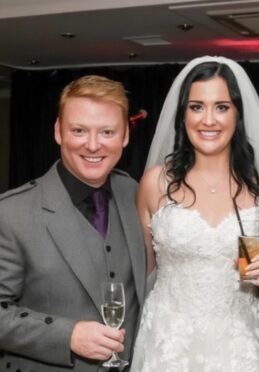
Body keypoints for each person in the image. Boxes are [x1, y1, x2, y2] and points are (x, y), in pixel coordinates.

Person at [130, 56, 259, 372]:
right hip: (168, 348)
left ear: (237, 114)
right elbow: (138, 273)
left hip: (238, 349)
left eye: (221, 107)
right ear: (183, 115)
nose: (208, 120)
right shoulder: (156, 183)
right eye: (196, 107)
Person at [0, 75, 146, 371]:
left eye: (107, 132)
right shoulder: (11, 213)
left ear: (125, 137)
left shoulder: (135, 193)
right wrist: (67, 335)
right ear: (58, 131)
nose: (93, 145)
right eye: (79, 130)